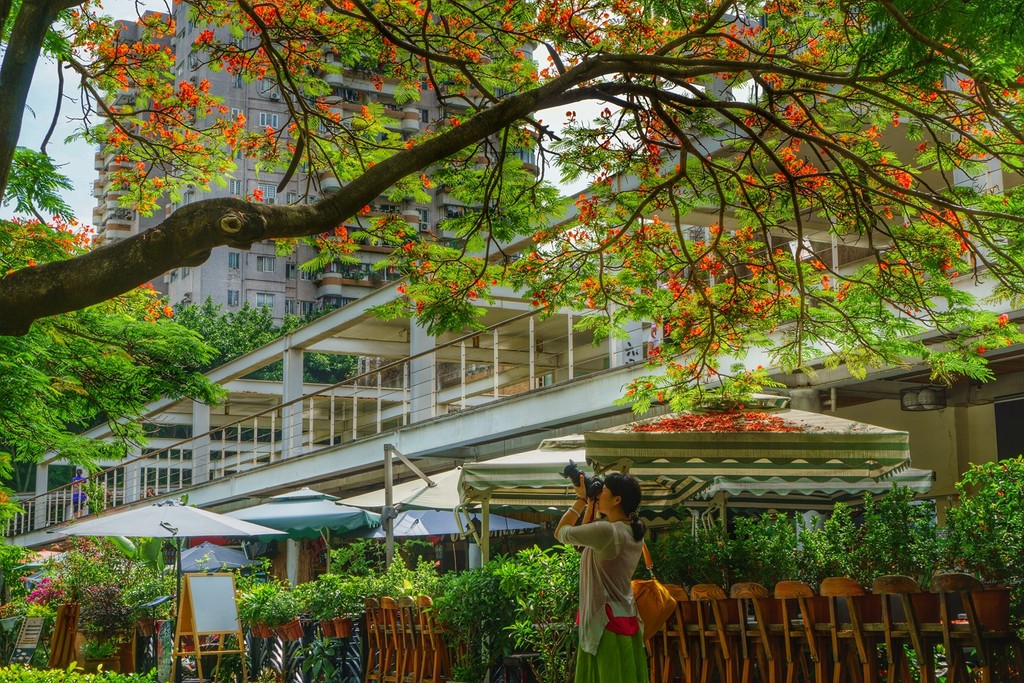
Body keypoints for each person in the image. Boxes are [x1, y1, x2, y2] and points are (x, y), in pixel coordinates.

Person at [555, 471, 648, 683]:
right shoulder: (632, 533)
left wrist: (580, 501)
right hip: (626, 619)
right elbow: (582, 546)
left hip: (603, 625)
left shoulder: (607, 532)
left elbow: (561, 532)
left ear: (617, 499)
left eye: (604, 489)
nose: (599, 492)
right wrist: (591, 504)